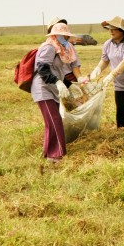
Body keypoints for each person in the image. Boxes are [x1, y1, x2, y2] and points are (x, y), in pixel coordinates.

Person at [31, 22, 81, 163]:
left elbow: (57, 72)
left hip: (51, 88)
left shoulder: (60, 49)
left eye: (66, 35)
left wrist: (69, 85)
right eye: (63, 35)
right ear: (55, 35)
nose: (65, 37)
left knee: (51, 121)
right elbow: (42, 69)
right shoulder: (48, 47)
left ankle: (49, 153)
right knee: (54, 120)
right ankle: (56, 155)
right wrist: (58, 83)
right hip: (42, 89)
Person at [47, 16, 82, 85]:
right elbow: (44, 70)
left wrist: (80, 78)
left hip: (70, 78)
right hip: (55, 81)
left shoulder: (69, 46)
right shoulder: (48, 48)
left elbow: (74, 65)